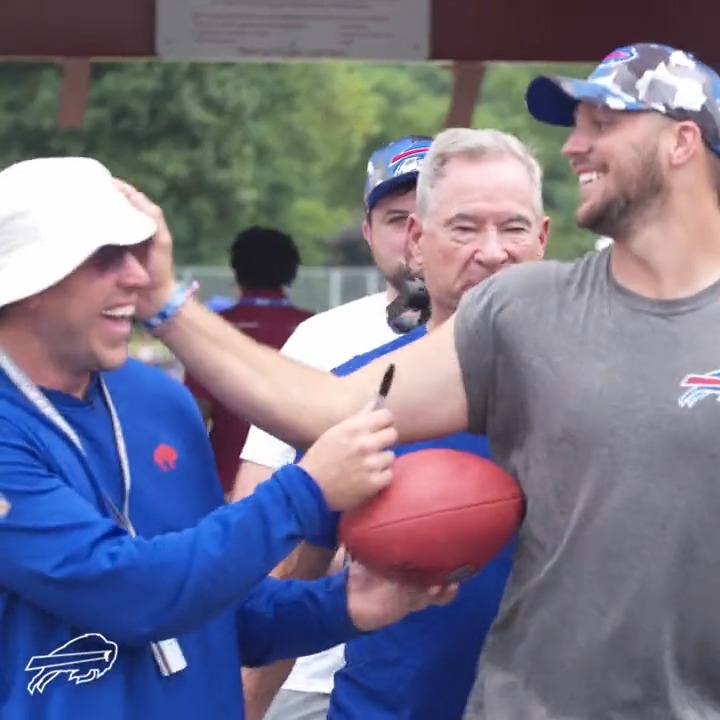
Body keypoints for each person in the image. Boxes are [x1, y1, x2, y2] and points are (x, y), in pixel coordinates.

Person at [131, 41, 720, 719]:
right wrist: (167, 304)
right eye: (464, 226)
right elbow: (330, 407)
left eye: (603, 124)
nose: (573, 148)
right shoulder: (527, 312)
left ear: (680, 142)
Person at [0, 156, 456, 720]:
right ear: (29, 281)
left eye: (136, 252)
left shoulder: (157, 399)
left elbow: (217, 612)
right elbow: (130, 593)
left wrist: (343, 604)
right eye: (104, 258)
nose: (138, 277)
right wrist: (307, 491)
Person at [312, 127, 548, 720]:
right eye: (464, 228)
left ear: (542, 239)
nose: (492, 251)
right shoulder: (353, 396)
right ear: (416, 241)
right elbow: (286, 581)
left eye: (514, 228)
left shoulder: (606, 390)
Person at [236, 134, 433, 720]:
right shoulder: (322, 339)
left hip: (456, 668)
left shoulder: (523, 335)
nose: (416, 234)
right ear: (369, 232)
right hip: (314, 668)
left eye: (434, 213)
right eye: (397, 218)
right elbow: (258, 500)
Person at [184, 225, 313, 495]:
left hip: (227, 487)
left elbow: (194, 418)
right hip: (304, 487)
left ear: (236, 269)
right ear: (292, 270)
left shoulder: (213, 329)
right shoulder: (313, 328)